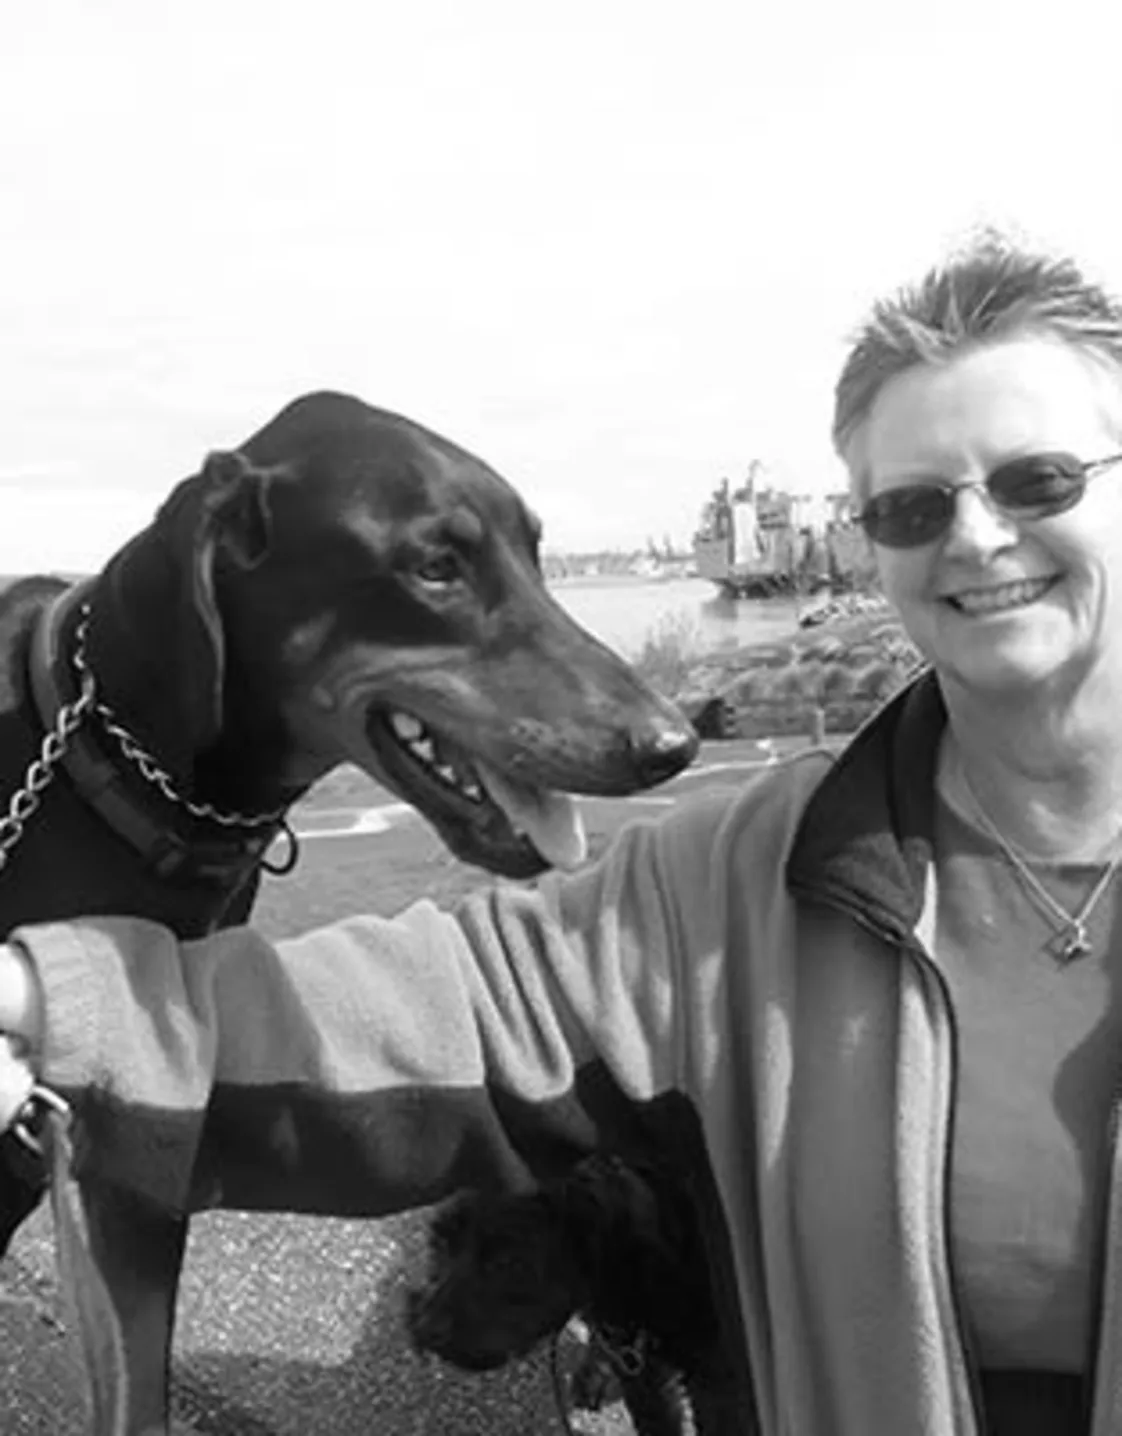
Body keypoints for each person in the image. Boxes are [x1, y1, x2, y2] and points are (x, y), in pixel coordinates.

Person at [2, 230, 1121, 1436]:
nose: (974, 535)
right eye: (909, 506)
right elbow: (440, 1007)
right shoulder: (747, 880)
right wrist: (29, 994)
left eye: (1037, 480)